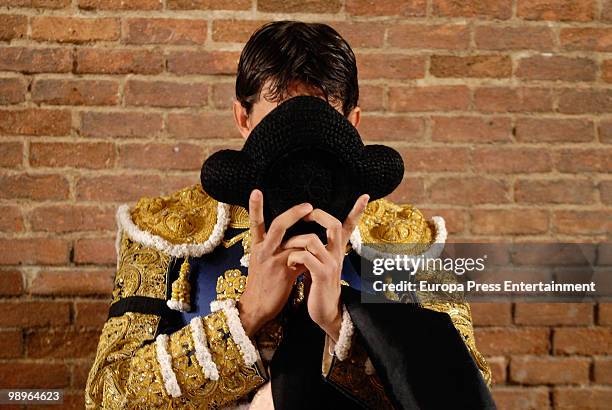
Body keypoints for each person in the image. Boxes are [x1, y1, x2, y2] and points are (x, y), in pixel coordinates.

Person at [85, 21, 493, 409]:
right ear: (243, 119)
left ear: (352, 122)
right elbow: (108, 395)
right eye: (282, 120)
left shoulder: (407, 239)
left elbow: (464, 395)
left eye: (321, 121)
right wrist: (245, 317)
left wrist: (342, 322)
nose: (302, 144)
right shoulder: (164, 230)